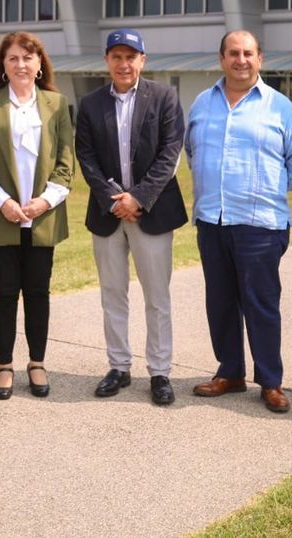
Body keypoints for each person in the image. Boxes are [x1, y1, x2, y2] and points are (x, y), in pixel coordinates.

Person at [186, 30, 292, 414]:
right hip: (212, 219)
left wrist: (267, 189)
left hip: (261, 224)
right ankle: (230, 372)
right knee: (220, 301)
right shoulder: (201, 104)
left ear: (260, 58)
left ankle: (271, 381)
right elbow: (192, 151)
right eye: (233, 53)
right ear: (222, 59)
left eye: (248, 53)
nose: (240, 60)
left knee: (261, 303)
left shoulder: (280, 108)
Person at [74, 29, 188, 405]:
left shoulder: (165, 96)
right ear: (107, 60)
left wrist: (137, 198)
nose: (124, 64)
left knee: (157, 297)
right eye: (117, 56)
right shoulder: (90, 104)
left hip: (151, 213)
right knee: (112, 294)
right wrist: (114, 200)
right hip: (108, 214)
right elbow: (86, 157)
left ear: (143, 60)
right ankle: (119, 366)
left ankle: (159, 372)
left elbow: (170, 152)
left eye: (131, 56)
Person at [0, 31, 74, 400]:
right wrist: (3, 203)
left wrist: (44, 201)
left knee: (38, 292)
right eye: (13, 58)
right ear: (3, 65)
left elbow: (65, 163)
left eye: (28, 58)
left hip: (43, 216)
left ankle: (37, 362)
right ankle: (3, 365)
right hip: (2, 216)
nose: (21, 65)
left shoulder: (57, 105)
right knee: (3, 292)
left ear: (40, 64)